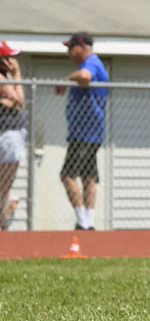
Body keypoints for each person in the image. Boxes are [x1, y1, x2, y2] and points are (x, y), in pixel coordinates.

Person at [55, 32, 109, 230]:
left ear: (81, 47)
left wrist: (65, 80)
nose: (69, 53)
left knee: (67, 175)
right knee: (88, 176)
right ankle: (89, 219)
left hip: (85, 132)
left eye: (71, 48)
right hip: (88, 131)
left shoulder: (91, 63)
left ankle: (83, 220)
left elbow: (85, 77)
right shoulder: (90, 64)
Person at [0, 41, 25, 230]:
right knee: (3, 186)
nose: (13, 61)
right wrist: (16, 75)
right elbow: (19, 99)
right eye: (9, 58)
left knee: (4, 187)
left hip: (9, 134)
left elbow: (16, 102)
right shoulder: (2, 78)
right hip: (7, 135)